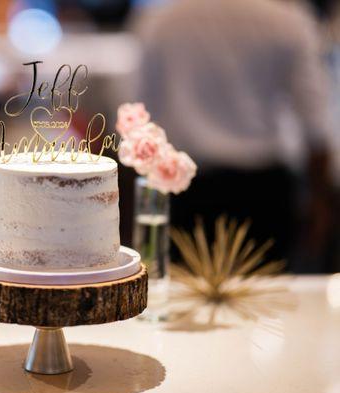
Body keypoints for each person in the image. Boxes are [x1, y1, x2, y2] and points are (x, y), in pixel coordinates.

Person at [133, 0, 336, 272]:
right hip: (262, 191)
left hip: (187, 190)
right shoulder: (287, 21)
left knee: (184, 302)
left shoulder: (160, 22)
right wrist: (320, 201)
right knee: (266, 304)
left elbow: (138, 117)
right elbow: (316, 124)